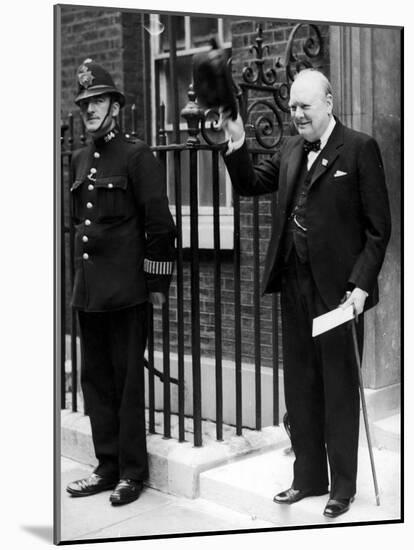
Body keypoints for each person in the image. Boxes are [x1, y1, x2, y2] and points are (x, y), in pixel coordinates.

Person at [220, 68, 391, 518]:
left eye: (304, 107)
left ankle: (343, 487)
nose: (295, 114)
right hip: (294, 286)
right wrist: (237, 143)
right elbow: (251, 183)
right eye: (291, 107)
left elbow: (379, 230)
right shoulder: (292, 147)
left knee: (337, 389)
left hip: (338, 295)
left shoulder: (359, 149)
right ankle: (309, 478)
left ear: (329, 103)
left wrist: (359, 287)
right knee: (301, 388)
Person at [66, 59, 176, 506]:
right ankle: (106, 465)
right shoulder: (77, 159)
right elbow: (80, 225)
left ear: (115, 105)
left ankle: (132, 471)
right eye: (84, 103)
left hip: (128, 292)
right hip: (90, 292)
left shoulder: (136, 155)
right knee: (96, 383)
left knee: (128, 383)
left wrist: (155, 287)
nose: (90, 109)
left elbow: (161, 226)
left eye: (97, 101)